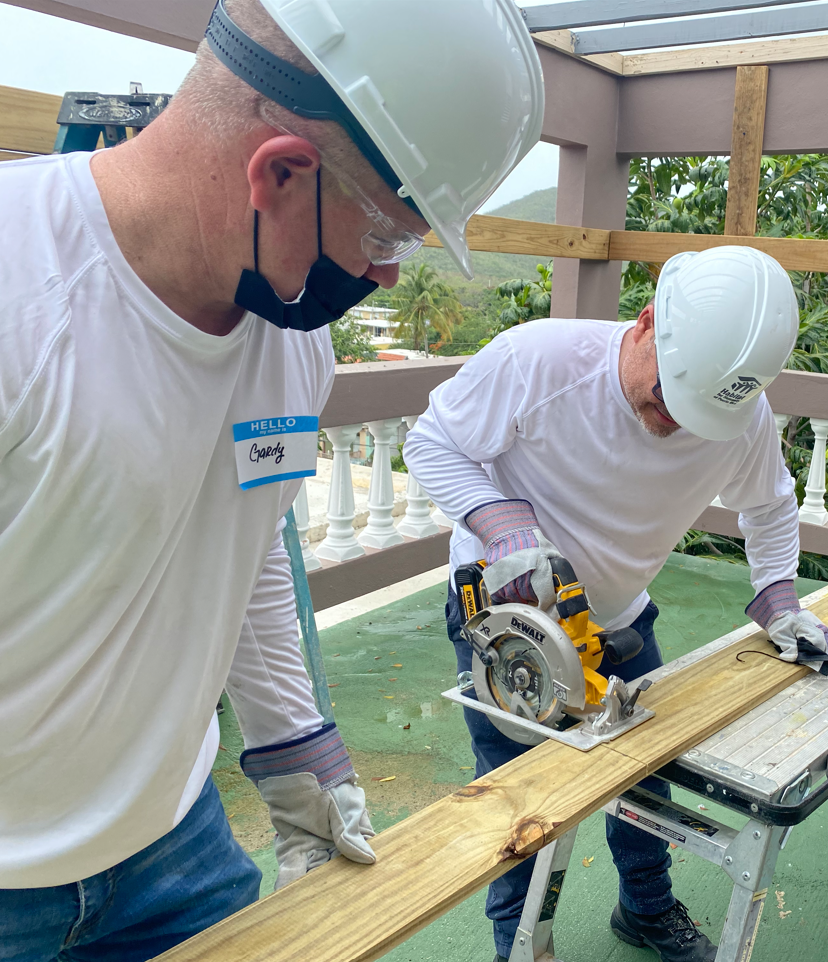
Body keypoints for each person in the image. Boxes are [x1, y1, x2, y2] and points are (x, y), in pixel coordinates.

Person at [0, 0, 543, 958]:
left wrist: (299, 757)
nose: (381, 274)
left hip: (174, 841)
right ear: (280, 172)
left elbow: (242, 548)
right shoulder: (21, 294)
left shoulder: (295, 350)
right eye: (387, 235)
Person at [404, 246, 828, 962]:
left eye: (696, 413)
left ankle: (644, 909)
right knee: (523, 800)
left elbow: (769, 505)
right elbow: (430, 441)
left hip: (619, 613)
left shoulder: (740, 416)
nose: (674, 423)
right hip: (510, 623)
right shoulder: (539, 361)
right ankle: (519, 947)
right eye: (669, 396)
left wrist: (778, 595)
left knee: (647, 774)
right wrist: (499, 519)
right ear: (646, 324)